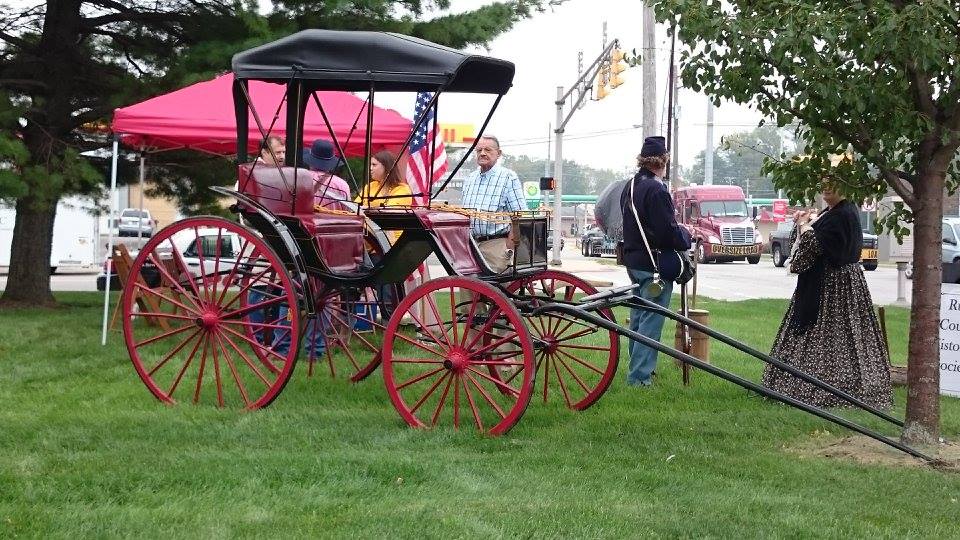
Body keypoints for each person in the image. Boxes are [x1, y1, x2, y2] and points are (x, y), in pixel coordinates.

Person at [762, 184, 892, 408]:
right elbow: (808, 245)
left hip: (834, 285)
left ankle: (829, 389)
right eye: (822, 184)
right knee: (831, 333)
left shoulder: (843, 214)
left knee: (834, 332)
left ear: (845, 187)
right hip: (827, 282)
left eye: (833, 183)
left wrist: (805, 226)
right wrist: (803, 224)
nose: (825, 188)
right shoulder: (831, 213)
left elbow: (814, 246)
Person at [620, 136, 691, 387]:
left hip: (634, 260)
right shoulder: (657, 189)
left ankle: (638, 369)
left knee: (639, 317)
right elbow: (666, 232)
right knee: (651, 321)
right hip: (655, 264)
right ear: (664, 160)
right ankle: (639, 378)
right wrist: (686, 236)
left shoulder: (630, 185)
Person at [460, 135, 527, 273]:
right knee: (468, 290)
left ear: (499, 153)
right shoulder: (469, 179)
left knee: (495, 293)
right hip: (470, 246)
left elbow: (520, 215)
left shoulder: (508, 177)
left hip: (496, 246)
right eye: (479, 150)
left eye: (488, 150)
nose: (483, 153)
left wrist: (509, 247)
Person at [302, 139, 351, 210]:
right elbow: (348, 211)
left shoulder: (300, 178)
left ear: (310, 159)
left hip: (306, 221)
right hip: (335, 221)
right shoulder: (342, 184)